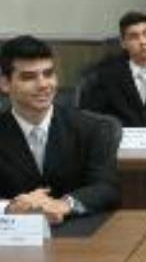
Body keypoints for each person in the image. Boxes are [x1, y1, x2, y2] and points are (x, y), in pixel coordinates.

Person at [0, 36, 119, 221]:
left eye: (48, 74)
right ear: (5, 83)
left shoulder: (92, 128)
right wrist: (10, 207)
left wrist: (64, 204)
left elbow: (106, 188)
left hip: (79, 236)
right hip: (11, 239)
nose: (43, 85)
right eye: (29, 77)